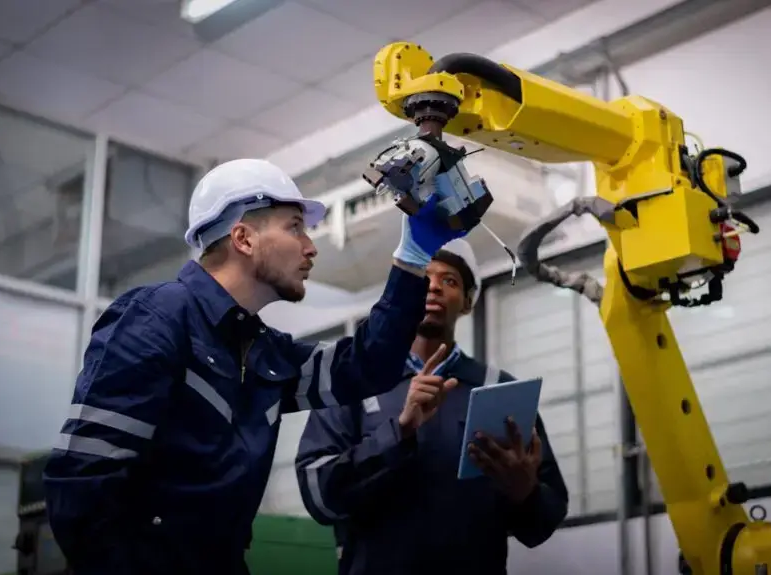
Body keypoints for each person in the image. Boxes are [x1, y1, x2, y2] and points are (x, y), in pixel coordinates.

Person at [42, 158, 468, 575]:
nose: (310, 246)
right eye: (295, 227)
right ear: (244, 239)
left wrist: (412, 256)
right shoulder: (156, 318)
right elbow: (83, 483)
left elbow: (366, 366)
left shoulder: (261, 351)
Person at [295, 239, 569, 575]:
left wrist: (525, 493)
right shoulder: (353, 380)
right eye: (423, 279)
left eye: (449, 280)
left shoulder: (500, 390)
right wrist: (399, 432)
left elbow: (543, 522)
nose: (434, 288)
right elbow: (319, 495)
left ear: (468, 302)